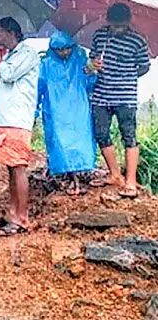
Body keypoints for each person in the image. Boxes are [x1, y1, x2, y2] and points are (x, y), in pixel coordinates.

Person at [89, 3, 151, 198]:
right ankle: (115, 174)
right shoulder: (100, 36)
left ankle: (130, 181)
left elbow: (144, 66)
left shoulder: (138, 41)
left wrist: (127, 75)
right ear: (108, 21)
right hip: (101, 94)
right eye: (115, 26)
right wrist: (94, 64)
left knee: (129, 136)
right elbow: (91, 60)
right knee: (100, 133)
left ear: (128, 22)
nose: (118, 30)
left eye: (121, 26)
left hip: (125, 96)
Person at [0, 17, 40, 237]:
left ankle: (22, 217)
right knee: (10, 167)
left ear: (12, 33)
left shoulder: (27, 55)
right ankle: (12, 211)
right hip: (6, 118)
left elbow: (8, 75)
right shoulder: (11, 56)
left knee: (18, 167)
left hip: (18, 119)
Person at [38, 31, 97, 196]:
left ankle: (76, 176)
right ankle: (69, 177)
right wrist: (34, 111)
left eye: (67, 48)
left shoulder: (80, 61)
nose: (64, 52)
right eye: (59, 49)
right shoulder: (46, 65)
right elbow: (38, 88)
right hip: (55, 110)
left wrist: (91, 72)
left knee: (79, 141)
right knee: (59, 143)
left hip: (78, 107)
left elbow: (90, 84)